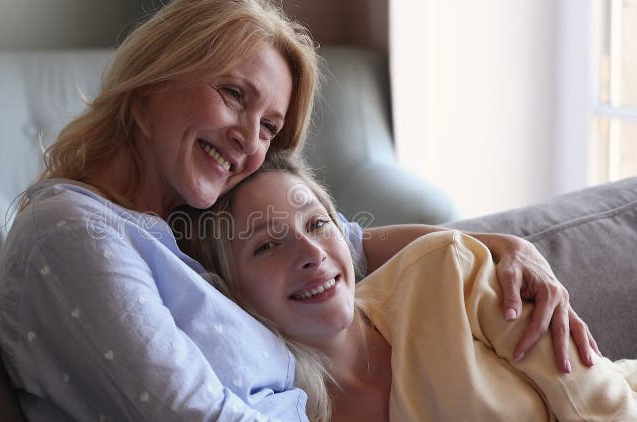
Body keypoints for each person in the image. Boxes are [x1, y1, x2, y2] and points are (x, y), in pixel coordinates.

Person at [0, 0, 598, 420]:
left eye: (269, 127)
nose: (248, 141)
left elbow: (343, 248)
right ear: (154, 80)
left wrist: (507, 246)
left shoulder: (182, 227)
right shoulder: (73, 231)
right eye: (234, 95)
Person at [177, 151, 636, 421]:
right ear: (230, 292)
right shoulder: (277, 408)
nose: (311, 254)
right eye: (267, 246)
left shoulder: (444, 272)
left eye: (317, 224)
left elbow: (598, 400)